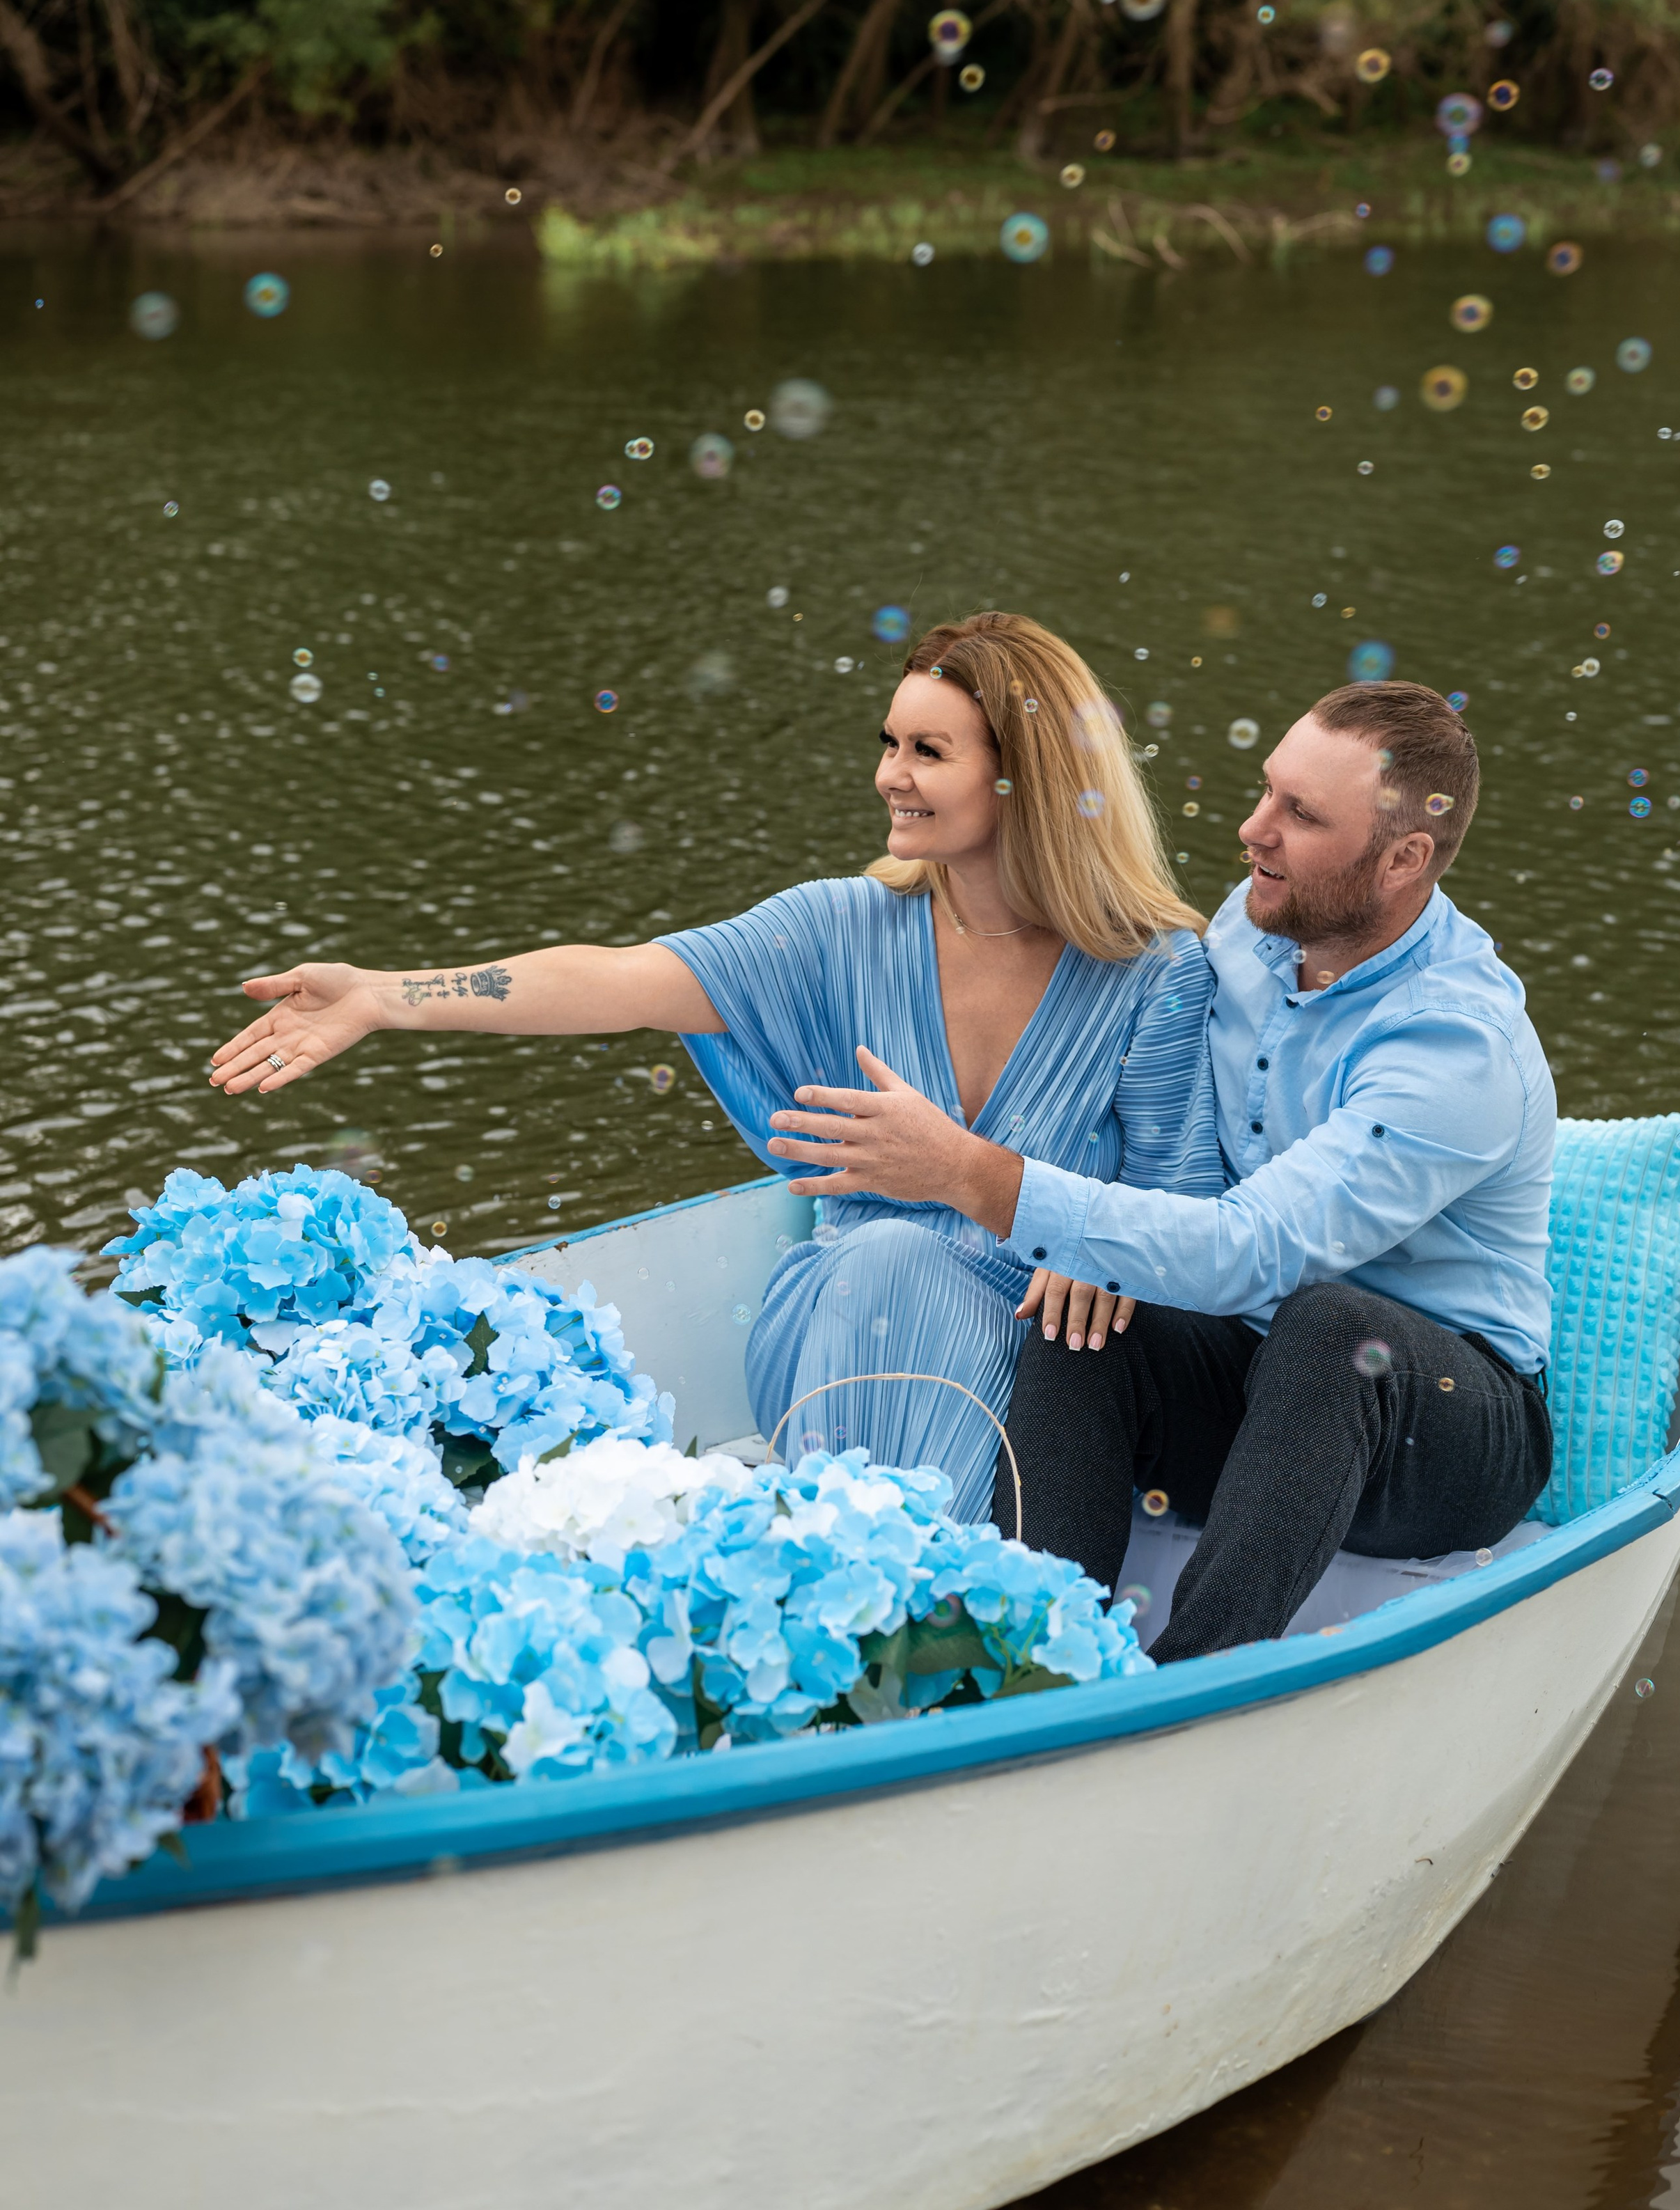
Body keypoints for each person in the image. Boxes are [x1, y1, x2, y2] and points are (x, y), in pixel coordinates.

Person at [207, 611, 1221, 1523]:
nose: (889, 775)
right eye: (889, 743)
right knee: (888, 1259)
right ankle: (875, 1574)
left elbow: (1183, 1217)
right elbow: (616, 979)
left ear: (1021, 775)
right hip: (841, 1326)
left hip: (1042, 1374)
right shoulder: (840, 928)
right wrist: (389, 995)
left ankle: (889, 1579)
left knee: (916, 1272)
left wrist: (1096, 1246)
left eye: (927, 750)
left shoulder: (1156, 975)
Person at [758, 679, 1556, 1656]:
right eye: (1266, 791)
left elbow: (1254, 1249)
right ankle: (1040, 1646)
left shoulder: (1457, 1047)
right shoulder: (1260, 924)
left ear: (1403, 858)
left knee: (1332, 1327)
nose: (1252, 829)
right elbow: (1149, 1088)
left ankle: (1192, 1682)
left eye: (1299, 815)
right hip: (1267, 1377)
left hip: (1444, 1430)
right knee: (1085, 1310)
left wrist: (972, 1170)